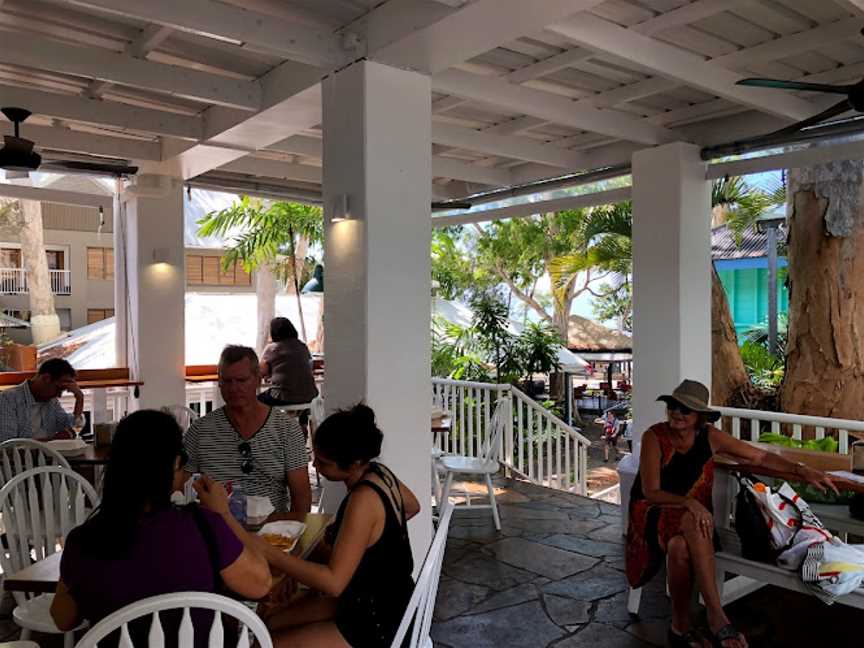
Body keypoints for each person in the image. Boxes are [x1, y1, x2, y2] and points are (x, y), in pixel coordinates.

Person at [626, 380, 838, 648]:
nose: (677, 413)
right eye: (673, 406)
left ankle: (679, 627)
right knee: (692, 519)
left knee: (680, 547)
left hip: (693, 522)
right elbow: (651, 491)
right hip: (653, 513)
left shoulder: (710, 437)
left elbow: (758, 458)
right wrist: (689, 503)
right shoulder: (654, 437)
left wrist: (800, 469)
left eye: (686, 410)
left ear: (699, 417)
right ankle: (717, 617)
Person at [50, 410, 272, 643]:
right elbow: (260, 584)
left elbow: (62, 618)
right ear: (175, 463)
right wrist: (223, 513)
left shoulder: (83, 540)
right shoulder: (203, 525)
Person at [246, 404, 420, 648]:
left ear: (354, 463)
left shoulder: (363, 500)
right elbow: (412, 506)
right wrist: (359, 539)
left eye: (324, 463)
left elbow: (333, 582)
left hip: (376, 621)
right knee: (270, 620)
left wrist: (268, 552)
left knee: (266, 643)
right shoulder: (380, 473)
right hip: (379, 599)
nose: (316, 467)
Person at [185, 345, 312, 514]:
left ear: (258, 380)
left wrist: (291, 532)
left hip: (272, 531)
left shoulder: (286, 429)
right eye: (227, 381)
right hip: (217, 529)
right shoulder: (199, 431)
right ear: (219, 383)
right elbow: (179, 483)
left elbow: (301, 495)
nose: (234, 388)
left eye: (241, 380)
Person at [0, 358, 84, 443]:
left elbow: (70, 425)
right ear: (46, 378)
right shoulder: (8, 399)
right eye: (59, 388)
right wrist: (52, 441)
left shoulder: (51, 401)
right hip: (22, 456)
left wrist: (79, 398)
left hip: (50, 454)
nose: (59, 395)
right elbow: (7, 444)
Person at [258, 317, 318, 408]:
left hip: (284, 396)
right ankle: (301, 419)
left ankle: (271, 422)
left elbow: (261, 372)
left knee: (254, 402)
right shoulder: (302, 346)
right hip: (310, 395)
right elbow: (309, 365)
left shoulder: (272, 348)